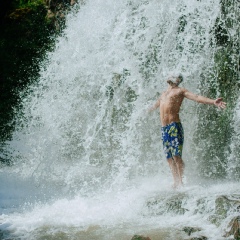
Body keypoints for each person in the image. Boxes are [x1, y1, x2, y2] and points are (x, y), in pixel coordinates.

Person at [149, 74, 226, 189]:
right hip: (164, 129)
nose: (170, 76)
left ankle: (180, 182)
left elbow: (197, 97)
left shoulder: (180, 91)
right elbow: (153, 106)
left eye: (174, 75)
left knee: (176, 156)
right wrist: (142, 112)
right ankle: (175, 182)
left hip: (174, 126)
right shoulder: (163, 94)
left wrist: (213, 102)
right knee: (169, 158)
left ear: (178, 80)